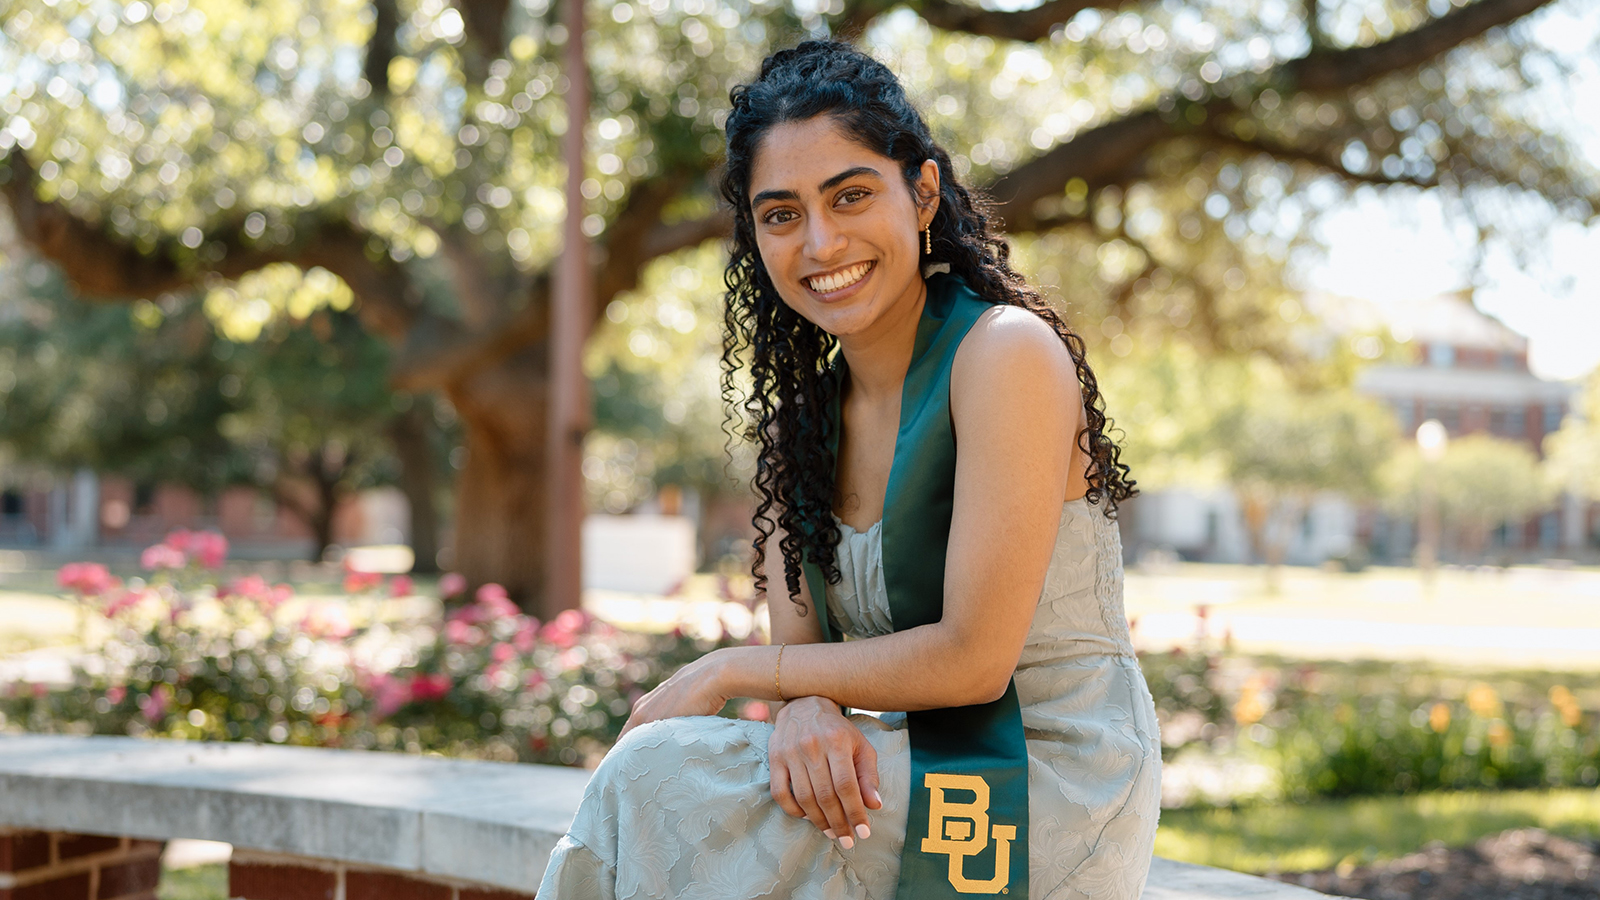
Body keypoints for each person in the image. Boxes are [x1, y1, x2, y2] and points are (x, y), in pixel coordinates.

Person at [538, 40, 1160, 900]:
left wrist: (729, 672)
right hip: (891, 762)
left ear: (925, 193)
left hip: (1047, 773)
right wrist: (803, 712)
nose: (820, 240)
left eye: (852, 195)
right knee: (672, 784)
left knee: (659, 780)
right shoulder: (803, 425)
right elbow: (804, 658)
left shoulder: (1003, 357)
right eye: (781, 214)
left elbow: (973, 661)